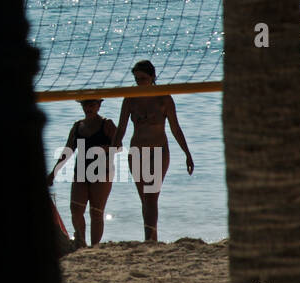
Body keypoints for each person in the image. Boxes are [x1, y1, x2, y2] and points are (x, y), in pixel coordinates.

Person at [113, 60, 193, 242]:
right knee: (145, 199)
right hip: (137, 152)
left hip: (158, 151)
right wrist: (112, 149)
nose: (139, 82)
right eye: (136, 79)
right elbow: (121, 128)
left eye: (143, 78)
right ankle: (151, 237)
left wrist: (187, 154)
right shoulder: (130, 98)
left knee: (151, 197)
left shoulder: (163, 98)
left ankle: (149, 239)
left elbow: (175, 128)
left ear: (152, 77)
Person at [48, 98, 117, 248]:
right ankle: (81, 242)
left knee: (96, 212)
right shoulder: (78, 126)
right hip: (81, 171)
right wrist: (53, 173)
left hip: (102, 171)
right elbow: (68, 150)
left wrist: (103, 149)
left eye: (92, 104)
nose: (88, 108)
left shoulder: (107, 124)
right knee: (76, 209)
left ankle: (95, 246)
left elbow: (118, 146)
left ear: (99, 105)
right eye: (85, 105)